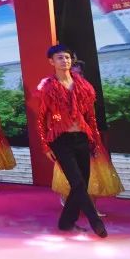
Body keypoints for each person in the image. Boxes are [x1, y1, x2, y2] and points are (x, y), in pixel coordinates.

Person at [38, 44, 108, 238]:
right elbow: (41, 119)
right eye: (60, 58)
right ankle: (96, 222)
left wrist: (95, 140)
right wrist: (45, 146)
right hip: (61, 140)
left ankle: (66, 222)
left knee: (82, 183)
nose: (65, 61)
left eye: (67, 57)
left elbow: (91, 117)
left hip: (82, 138)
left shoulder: (84, 86)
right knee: (77, 182)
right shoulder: (48, 88)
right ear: (51, 62)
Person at [50, 60, 123, 209]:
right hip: (67, 137)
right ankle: (69, 200)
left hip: (88, 136)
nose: (78, 76)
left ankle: (92, 207)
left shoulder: (87, 91)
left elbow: (92, 117)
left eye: (80, 73)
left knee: (95, 173)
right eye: (74, 73)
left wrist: (94, 136)